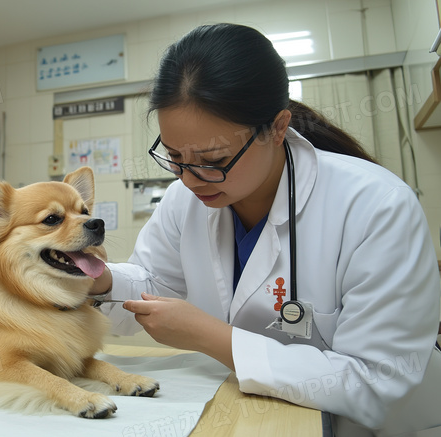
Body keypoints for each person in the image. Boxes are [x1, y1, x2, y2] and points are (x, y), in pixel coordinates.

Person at [89, 23, 441, 436]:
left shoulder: (376, 206)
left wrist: (215, 339)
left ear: (276, 128)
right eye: (174, 157)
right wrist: (99, 280)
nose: (189, 179)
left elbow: (378, 382)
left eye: (212, 158)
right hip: (256, 415)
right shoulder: (184, 200)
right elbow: (153, 282)